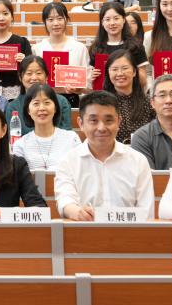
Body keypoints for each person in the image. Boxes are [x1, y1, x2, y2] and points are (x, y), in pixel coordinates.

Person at [54, 91, 155, 221]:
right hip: (85, 229)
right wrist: (77, 212)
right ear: (81, 123)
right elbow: (65, 200)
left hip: (130, 232)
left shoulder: (138, 161)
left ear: (119, 122)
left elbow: (146, 212)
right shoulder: (68, 161)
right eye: (93, 121)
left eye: (108, 120)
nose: (101, 128)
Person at [131, 75, 172, 170]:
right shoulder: (142, 137)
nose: (168, 101)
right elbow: (146, 176)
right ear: (152, 103)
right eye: (162, 95)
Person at [12, 84, 81, 171]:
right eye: (36, 103)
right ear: (28, 110)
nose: (42, 108)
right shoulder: (20, 145)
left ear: (55, 108)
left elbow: (80, 172)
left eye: (47, 103)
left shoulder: (71, 138)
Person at [3, 55, 73, 134]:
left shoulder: (62, 101)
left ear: (46, 76)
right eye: (29, 73)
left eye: (39, 73)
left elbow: (67, 134)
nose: (34, 77)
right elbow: (14, 137)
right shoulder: (13, 107)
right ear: (20, 77)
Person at [90, 1, 149, 90]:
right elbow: (92, 83)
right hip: (104, 96)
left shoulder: (136, 46)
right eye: (107, 19)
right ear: (102, 22)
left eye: (116, 18)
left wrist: (129, 70)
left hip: (130, 95)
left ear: (124, 20)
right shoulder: (96, 48)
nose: (112, 23)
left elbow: (143, 81)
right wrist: (91, 76)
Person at [103, 49, 155, 143]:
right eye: (114, 69)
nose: (120, 73)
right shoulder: (103, 103)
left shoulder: (148, 102)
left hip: (144, 149)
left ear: (134, 72)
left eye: (125, 68)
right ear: (108, 73)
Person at [32, 1, 91, 72]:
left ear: (66, 20)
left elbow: (86, 75)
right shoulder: (36, 49)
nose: (56, 23)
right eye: (50, 19)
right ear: (45, 22)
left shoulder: (80, 48)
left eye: (60, 18)